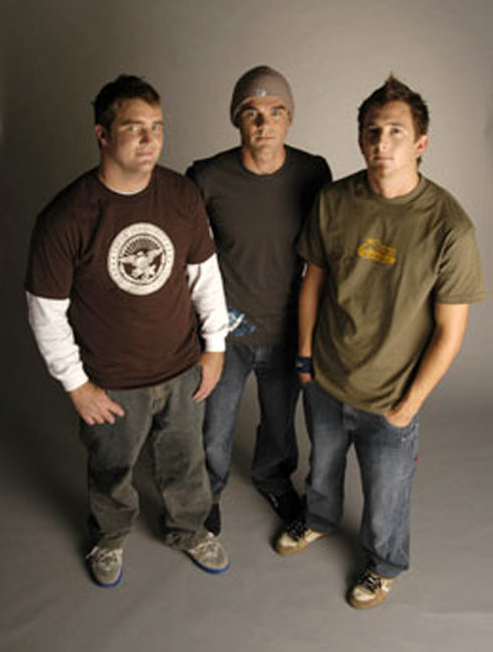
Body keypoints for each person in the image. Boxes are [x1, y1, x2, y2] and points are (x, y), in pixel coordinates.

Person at [275, 75, 486, 609]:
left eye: (396, 131)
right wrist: (305, 357)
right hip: (326, 377)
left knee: (387, 495)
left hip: (391, 394)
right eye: (372, 131)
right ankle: (318, 518)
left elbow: (450, 332)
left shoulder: (450, 228)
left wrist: (410, 403)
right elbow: (313, 282)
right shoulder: (334, 200)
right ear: (360, 138)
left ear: (421, 142)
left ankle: (383, 564)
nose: (381, 142)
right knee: (322, 467)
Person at [25, 75, 230, 587]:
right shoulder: (67, 216)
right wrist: (77, 385)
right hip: (111, 382)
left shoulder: (181, 195)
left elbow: (205, 276)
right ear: (102, 134)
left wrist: (215, 348)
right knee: (111, 469)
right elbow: (45, 311)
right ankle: (110, 537)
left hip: (182, 368)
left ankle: (189, 528)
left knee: (186, 462)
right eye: (134, 128)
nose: (149, 139)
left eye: (156, 127)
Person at [187, 66, 332, 536]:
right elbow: (188, 258)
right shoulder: (207, 177)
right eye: (251, 112)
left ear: (290, 118)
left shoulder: (313, 173)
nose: (264, 122)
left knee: (279, 424)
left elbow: (325, 253)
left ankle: (273, 479)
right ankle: (207, 491)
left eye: (276, 111)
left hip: (288, 327)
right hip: (224, 332)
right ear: (236, 119)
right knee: (214, 426)